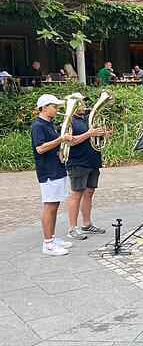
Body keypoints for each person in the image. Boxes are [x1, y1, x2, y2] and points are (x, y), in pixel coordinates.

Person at [33, 94, 74, 255]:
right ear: (44, 107)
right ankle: (48, 243)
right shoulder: (38, 126)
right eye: (54, 106)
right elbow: (40, 148)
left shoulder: (48, 124)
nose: (57, 109)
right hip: (48, 170)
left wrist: (64, 140)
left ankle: (52, 237)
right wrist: (61, 139)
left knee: (55, 205)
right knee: (49, 206)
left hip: (56, 168)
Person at [65, 96, 108, 241]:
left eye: (83, 103)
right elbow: (69, 142)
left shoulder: (88, 119)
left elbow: (93, 139)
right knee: (76, 194)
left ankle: (86, 224)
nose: (83, 106)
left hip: (93, 160)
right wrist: (89, 133)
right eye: (80, 103)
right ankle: (72, 228)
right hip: (78, 162)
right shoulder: (69, 121)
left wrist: (103, 136)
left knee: (89, 192)